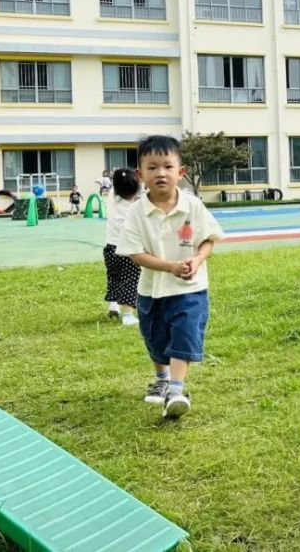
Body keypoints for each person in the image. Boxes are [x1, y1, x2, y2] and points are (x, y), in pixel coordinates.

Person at [116, 135, 223, 419]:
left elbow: (209, 239)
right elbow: (133, 253)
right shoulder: (137, 212)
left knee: (184, 334)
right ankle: (162, 378)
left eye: (167, 166)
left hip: (191, 289)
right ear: (140, 174)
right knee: (156, 340)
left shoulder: (192, 205)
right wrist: (169, 266)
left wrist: (197, 260)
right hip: (152, 290)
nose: (160, 173)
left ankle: (176, 390)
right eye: (152, 168)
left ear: (180, 172)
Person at [103, 169, 142, 326]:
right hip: (128, 250)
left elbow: (121, 181)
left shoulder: (112, 196)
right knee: (130, 280)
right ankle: (127, 315)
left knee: (114, 276)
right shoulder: (136, 207)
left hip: (110, 248)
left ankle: (113, 306)